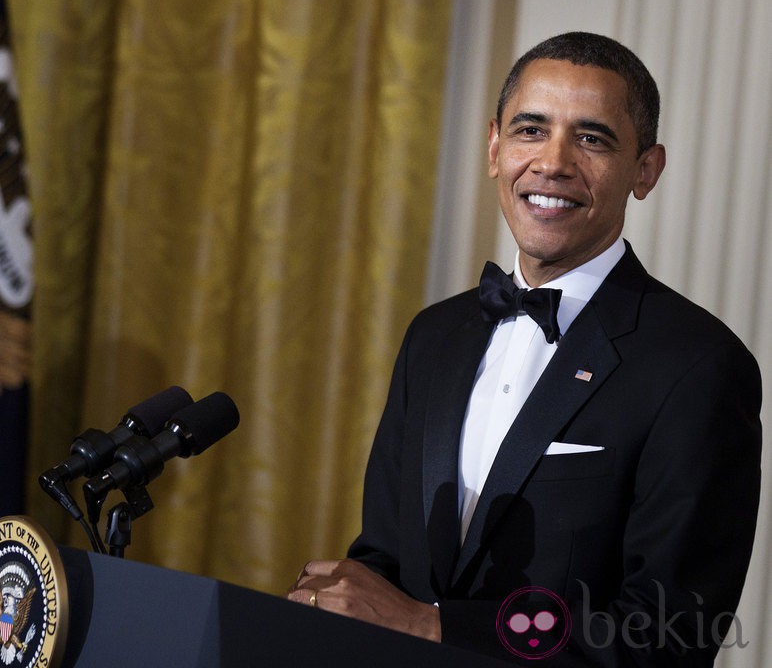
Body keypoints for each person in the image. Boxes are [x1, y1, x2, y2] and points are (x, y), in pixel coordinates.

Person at [287, 32, 761, 667]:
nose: (553, 162)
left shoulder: (699, 366)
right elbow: (389, 559)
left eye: (592, 138)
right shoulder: (435, 334)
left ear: (645, 170)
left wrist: (434, 628)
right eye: (531, 130)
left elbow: (669, 635)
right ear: (494, 147)